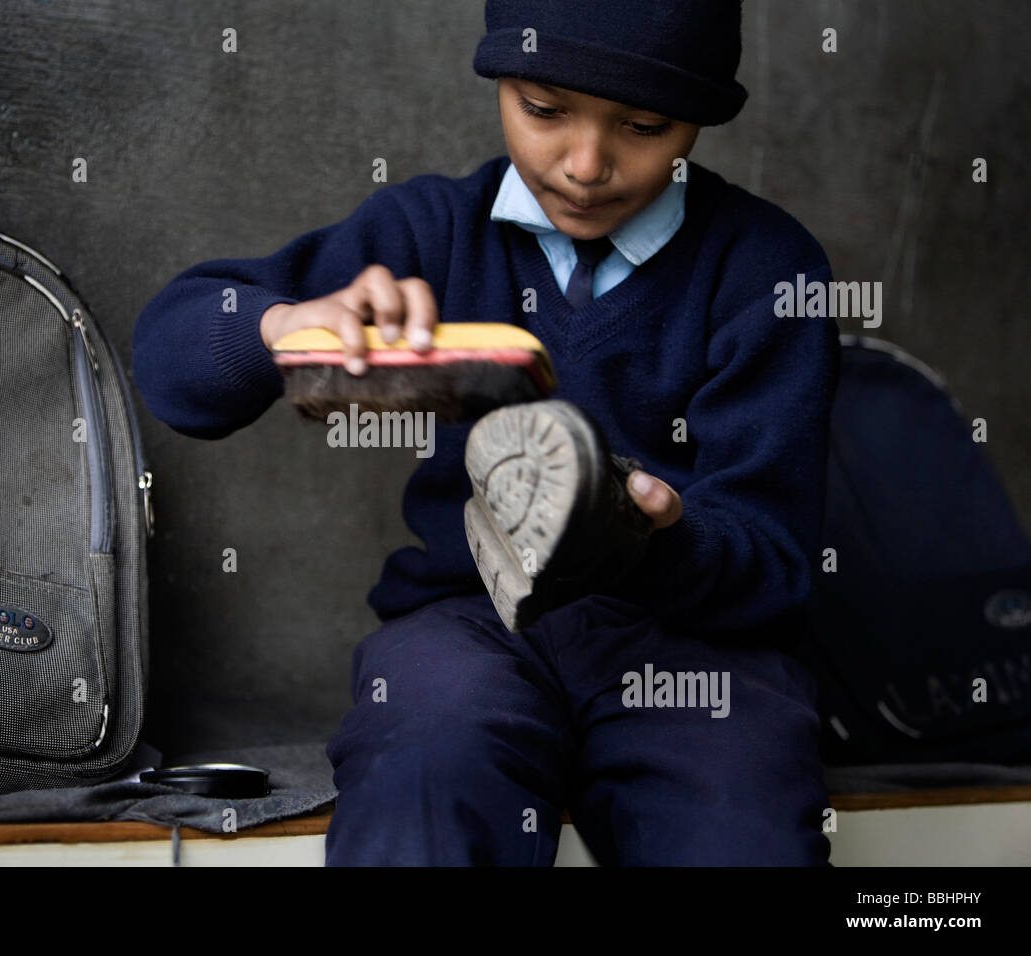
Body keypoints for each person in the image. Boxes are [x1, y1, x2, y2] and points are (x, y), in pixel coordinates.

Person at [133, 0, 839, 865]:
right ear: (501, 80)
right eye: (544, 111)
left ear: (701, 114)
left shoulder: (768, 268)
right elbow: (173, 360)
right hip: (466, 623)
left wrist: (655, 540)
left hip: (694, 648)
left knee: (740, 824)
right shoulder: (428, 231)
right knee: (424, 772)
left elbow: (774, 565)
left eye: (645, 125)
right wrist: (284, 328)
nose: (586, 165)